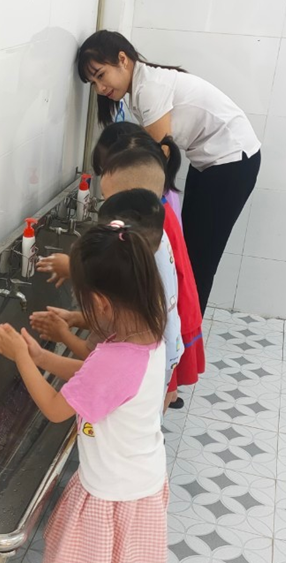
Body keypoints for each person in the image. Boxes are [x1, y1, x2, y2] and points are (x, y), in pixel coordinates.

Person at [0, 220, 169, 563]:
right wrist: (41, 353)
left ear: (100, 303)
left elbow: (56, 408)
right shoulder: (144, 332)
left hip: (112, 493)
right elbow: (91, 374)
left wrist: (21, 357)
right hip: (136, 479)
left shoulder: (116, 357)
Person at [76, 30, 261, 313]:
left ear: (123, 59)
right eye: (93, 83)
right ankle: (182, 323)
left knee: (200, 258)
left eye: (101, 75)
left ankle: (188, 328)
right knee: (188, 251)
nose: (100, 88)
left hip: (232, 161)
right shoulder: (141, 86)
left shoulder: (149, 88)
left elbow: (157, 158)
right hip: (211, 160)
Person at [38, 131, 205, 408]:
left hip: (157, 353)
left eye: (109, 199)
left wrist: (61, 334)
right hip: (165, 347)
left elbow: (97, 362)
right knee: (150, 410)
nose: (107, 208)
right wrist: (77, 318)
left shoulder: (140, 252)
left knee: (144, 412)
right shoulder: (154, 231)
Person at [31, 188, 181, 402]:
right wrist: (74, 319)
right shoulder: (144, 293)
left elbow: (56, 407)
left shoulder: (120, 353)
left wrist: (52, 340)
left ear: (101, 302)